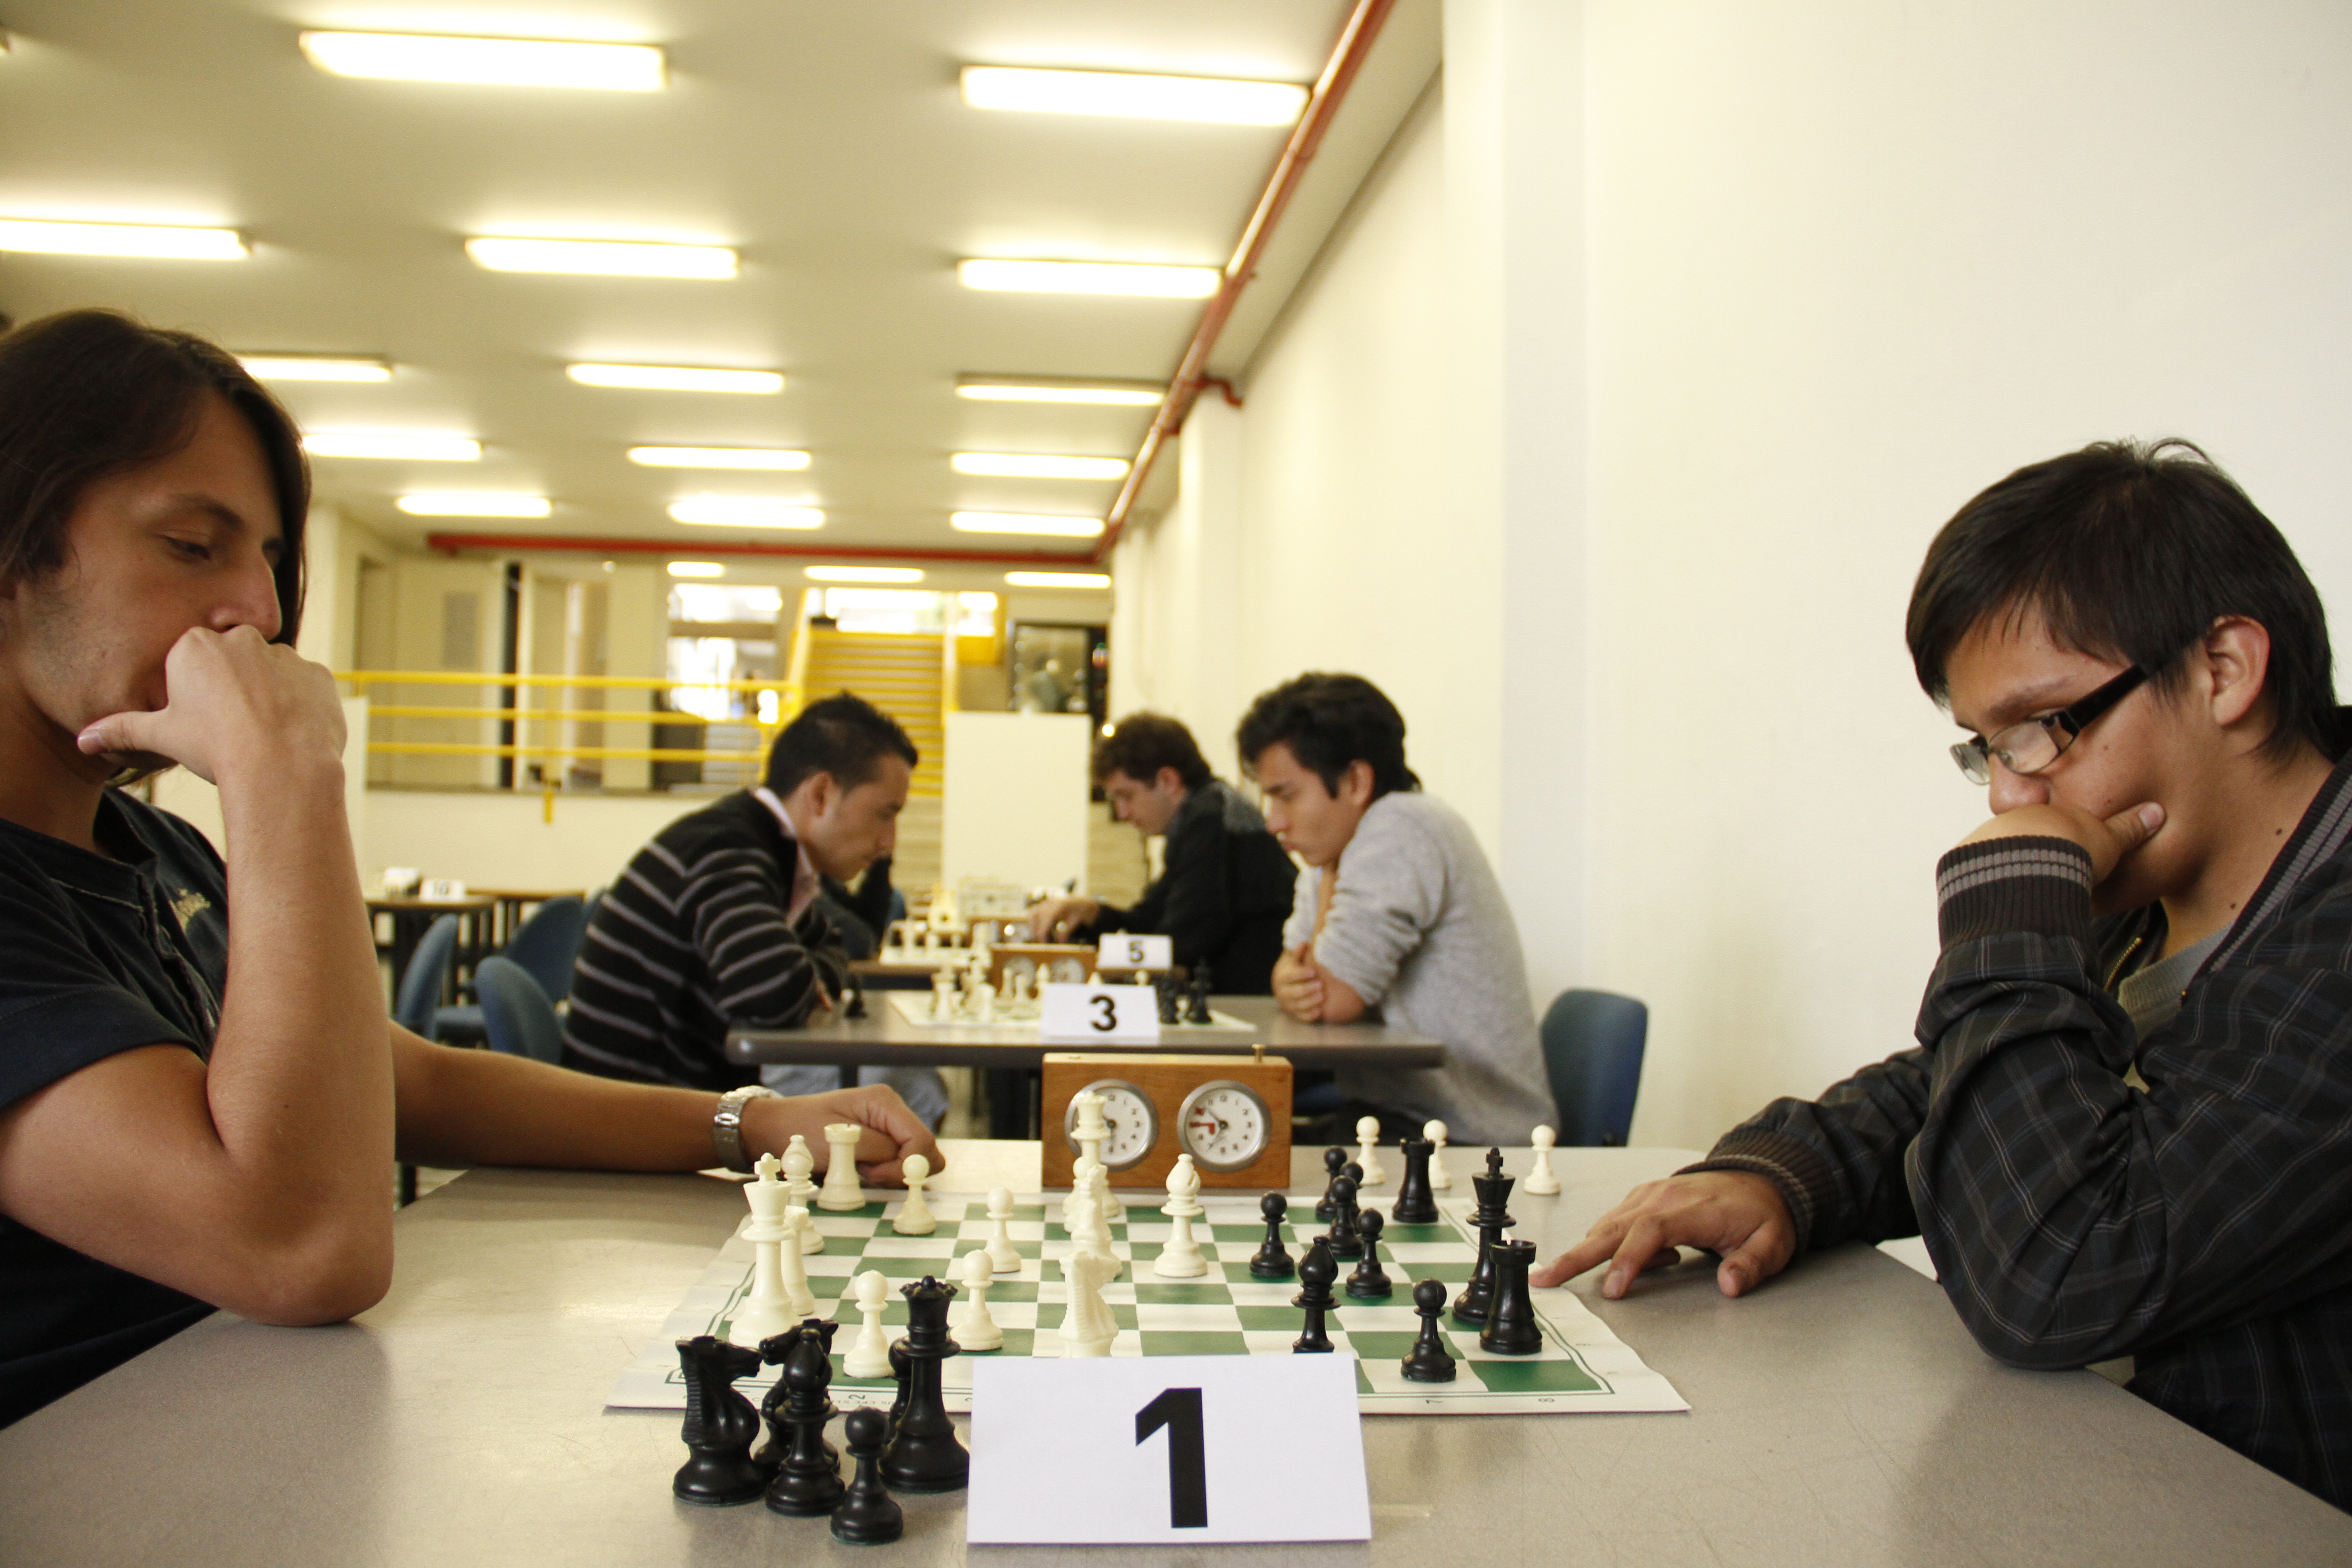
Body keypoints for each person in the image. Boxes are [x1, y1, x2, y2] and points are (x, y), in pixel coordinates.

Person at [0, 309, 939, 1429]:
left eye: (270, 561)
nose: (258, 609)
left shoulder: (156, 853)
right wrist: (285, 776)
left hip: (254, 1426)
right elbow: (301, 1247)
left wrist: (744, 1124)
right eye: (194, 544)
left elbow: (412, 1080)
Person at [1538, 440, 2352, 1509]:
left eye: (2040, 730)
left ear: (2224, 669)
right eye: (1985, 748)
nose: (2008, 796)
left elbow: (2055, 1270)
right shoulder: (2147, 914)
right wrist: (1780, 1175)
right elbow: (1959, 1089)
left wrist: (2011, 896)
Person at [563, 693, 949, 1126]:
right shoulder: (729, 849)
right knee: (914, 1091)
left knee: (911, 1083)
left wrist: (808, 972)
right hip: (632, 1120)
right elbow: (774, 994)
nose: (889, 841)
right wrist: (807, 975)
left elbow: (834, 946)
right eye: (884, 814)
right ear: (820, 794)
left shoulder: (764, 850)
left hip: (668, 1097)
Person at [1236, 673, 1552, 1144]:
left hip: (1468, 1135)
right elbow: (1293, 969)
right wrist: (1290, 978)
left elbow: (1329, 1000)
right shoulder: (1332, 853)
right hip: (1394, 1115)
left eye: (1286, 795)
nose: (1273, 821)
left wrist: (1301, 979)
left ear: (1357, 781)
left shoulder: (1402, 828)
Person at [1026, 712, 1297, 993]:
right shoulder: (1203, 815)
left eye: (1127, 796)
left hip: (1252, 1012)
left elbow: (1177, 944)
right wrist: (1091, 913)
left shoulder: (1212, 821)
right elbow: (1150, 922)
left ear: (1167, 780)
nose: (1122, 813)